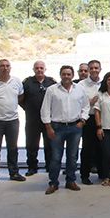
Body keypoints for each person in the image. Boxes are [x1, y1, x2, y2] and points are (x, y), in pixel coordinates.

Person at [40, 65, 89, 194]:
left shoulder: (80, 89)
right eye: (64, 74)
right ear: (60, 75)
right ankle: (53, 183)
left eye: (68, 74)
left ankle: (70, 181)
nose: (66, 76)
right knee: (56, 157)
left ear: (72, 75)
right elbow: (45, 109)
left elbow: (86, 106)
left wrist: (82, 121)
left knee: (72, 156)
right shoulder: (52, 90)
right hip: (57, 127)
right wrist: (48, 127)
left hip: (75, 127)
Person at [20, 60, 56, 176]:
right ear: (33, 69)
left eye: (41, 68)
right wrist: (27, 108)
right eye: (37, 68)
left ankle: (50, 166)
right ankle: (32, 167)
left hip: (48, 120)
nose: (39, 70)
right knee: (31, 145)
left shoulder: (51, 82)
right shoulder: (27, 82)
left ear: (45, 69)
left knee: (50, 144)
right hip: (32, 120)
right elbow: (20, 99)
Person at [79, 59, 102, 185]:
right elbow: (78, 102)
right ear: (88, 70)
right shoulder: (81, 85)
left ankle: (102, 173)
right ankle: (84, 175)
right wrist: (90, 102)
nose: (94, 70)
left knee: (101, 147)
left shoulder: (104, 83)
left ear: (100, 69)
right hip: (88, 119)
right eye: (91, 68)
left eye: (96, 68)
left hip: (102, 119)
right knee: (87, 148)